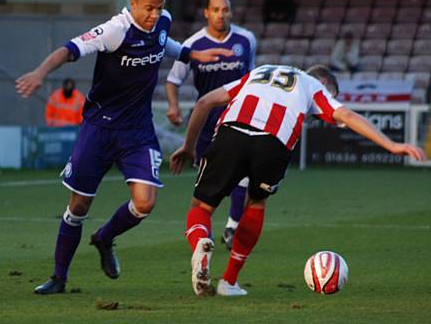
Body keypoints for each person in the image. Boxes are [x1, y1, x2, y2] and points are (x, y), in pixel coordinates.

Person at [15, 0, 233, 295]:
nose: (154, 15)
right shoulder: (115, 30)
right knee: (78, 207)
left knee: (145, 203)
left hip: (137, 130)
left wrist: (191, 55)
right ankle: (59, 278)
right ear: (132, 5)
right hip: (99, 129)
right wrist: (39, 73)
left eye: (159, 8)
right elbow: (69, 49)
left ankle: (104, 237)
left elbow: (165, 43)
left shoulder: (162, 21)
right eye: (148, 9)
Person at [170, 64, 426, 297]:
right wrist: (391, 145)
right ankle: (228, 281)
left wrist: (189, 147)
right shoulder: (313, 85)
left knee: (201, 208)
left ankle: (200, 243)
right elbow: (347, 116)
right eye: (332, 95)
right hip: (274, 142)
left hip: (232, 132)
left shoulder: (260, 71)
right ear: (324, 83)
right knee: (257, 203)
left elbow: (204, 102)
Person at [166, 0, 256, 251]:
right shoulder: (193, 44)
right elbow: (172, 80)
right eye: (215, 10)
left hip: (237, 119)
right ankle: (203, 232)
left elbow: (250, 79)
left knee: (243, 176)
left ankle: (232, 226)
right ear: (206, 13)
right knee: (208, 183)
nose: (220, 14)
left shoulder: (246, 40)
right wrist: (173, 105)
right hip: (206, 124)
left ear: (231, 12)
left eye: (225, 9)